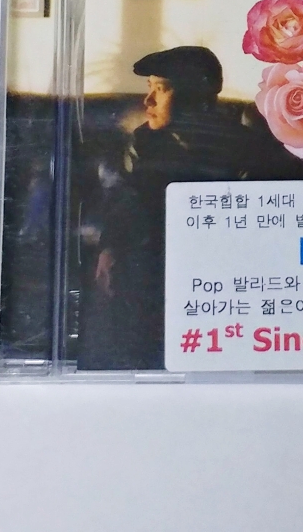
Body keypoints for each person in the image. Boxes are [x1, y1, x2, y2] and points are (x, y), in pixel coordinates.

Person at [80, 47, 254, 370]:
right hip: (151, 262)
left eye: (160, 90)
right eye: (149, 88)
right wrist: (109, 247)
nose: (147, 101)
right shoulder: (144, 142)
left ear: (194, 96)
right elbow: (125, 200)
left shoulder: (241, 146)